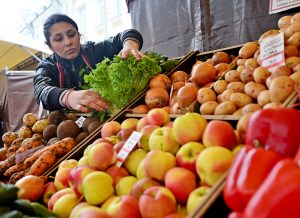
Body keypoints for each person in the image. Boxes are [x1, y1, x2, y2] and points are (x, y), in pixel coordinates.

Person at [33, 13, 143, 113]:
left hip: (108, 115)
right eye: (58, 39)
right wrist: (67, 97)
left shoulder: (93, 50)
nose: (68, 42)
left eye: (71, 34)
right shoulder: (46, 67)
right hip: (70, 127)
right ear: (50, 46)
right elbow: (41, 91)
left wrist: (130, 45)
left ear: (79, 35)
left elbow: (127, 34)